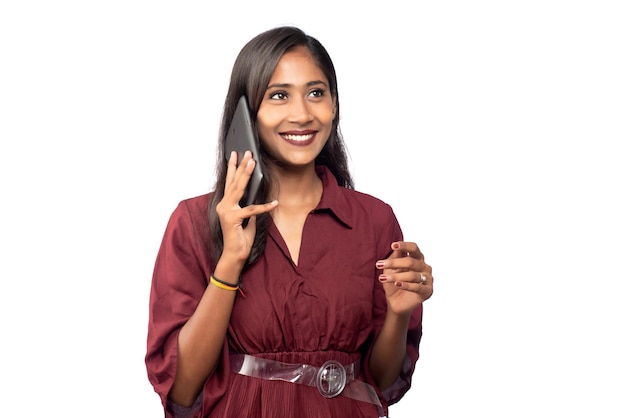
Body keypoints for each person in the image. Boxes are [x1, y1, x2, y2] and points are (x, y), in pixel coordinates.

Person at [145, 25, 434, 418]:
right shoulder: (194, 221)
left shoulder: (375, 220)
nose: (302, 114)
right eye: (279, 95)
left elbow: (380, 385)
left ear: (334, 105)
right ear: (246, 114)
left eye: (316, 93)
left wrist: (399, 314)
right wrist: (230, 260)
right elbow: (182, 388)